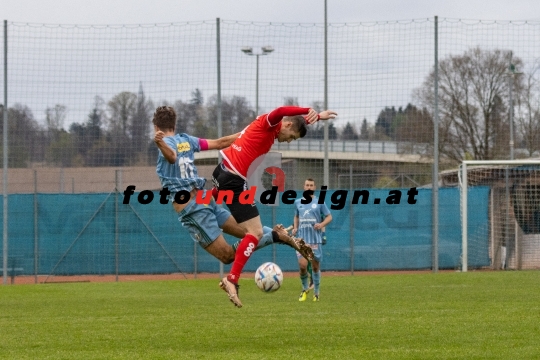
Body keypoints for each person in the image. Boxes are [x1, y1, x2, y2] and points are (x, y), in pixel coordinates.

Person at [152, 106, 292, 308]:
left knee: (227, 255)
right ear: (175, 124)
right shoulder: (186, 140)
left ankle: (274, 239)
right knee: (251, 234)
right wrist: (249, 131)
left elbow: (171, 157)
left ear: (156, 126)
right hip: (204, 198)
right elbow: (220, 143)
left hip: (192, 209)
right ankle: (278, 235)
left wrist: (159, 143)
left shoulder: (164, 141)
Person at [211, 105, 337, 307]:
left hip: (222, 172)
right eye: (292, 137)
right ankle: (232, 279)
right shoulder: (270, 123)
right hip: (233, 179)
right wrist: (307, 109)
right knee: (256, 232)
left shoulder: (274, 129)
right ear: (286, 125)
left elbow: (295, 121)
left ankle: (204, 208)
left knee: (228, 216)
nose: (289, 141)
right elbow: (281, 111)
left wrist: (316, 117)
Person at [292, 178, 333, 302]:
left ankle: (316, 293)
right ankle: (304, 290)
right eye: (307, 185)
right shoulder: (298, 202)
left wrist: (321, 225)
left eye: (311, 185)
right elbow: (296, 216)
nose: (309, 187)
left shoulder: (319, 202)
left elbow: (329, 216)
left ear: (314, 187)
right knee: (302, 265)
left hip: (315, 239)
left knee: (315, 267)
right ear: (304, 187)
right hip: (302, 240)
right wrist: (295, 227)